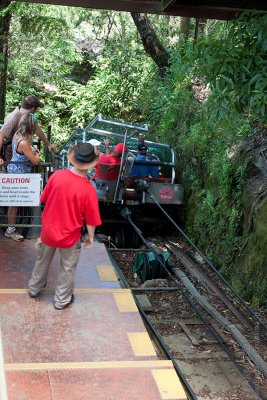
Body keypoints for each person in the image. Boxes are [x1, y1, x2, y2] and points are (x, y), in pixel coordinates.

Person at [28, 143, 101, 310]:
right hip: (70, 236)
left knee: (41, 261)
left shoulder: (57, 176)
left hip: (48, 232)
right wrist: (90, 236)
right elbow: (91, 220)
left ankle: (34, 288)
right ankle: (61, 301)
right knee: (67, 269)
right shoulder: (88, 189)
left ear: (74, 159)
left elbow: (44, 199)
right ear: (91, 164)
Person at [5, 114, 41, 242]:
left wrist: (32, 149)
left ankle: (13, 227)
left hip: (16, 172)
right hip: (18, 175)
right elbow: (35, 161)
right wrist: (37, 154)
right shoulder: (25, 141)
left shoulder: (18, 134)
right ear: (31, 126)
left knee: (15, 203)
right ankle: (10, 230)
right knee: (14, 203)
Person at [0, 95, 56, 165]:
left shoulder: (28, 117)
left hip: (25, 153)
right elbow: (1, 135)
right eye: (37, 108)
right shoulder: (13, 118)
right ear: (33, 108)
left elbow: (37, 129)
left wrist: (48, 144)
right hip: (12, 156)